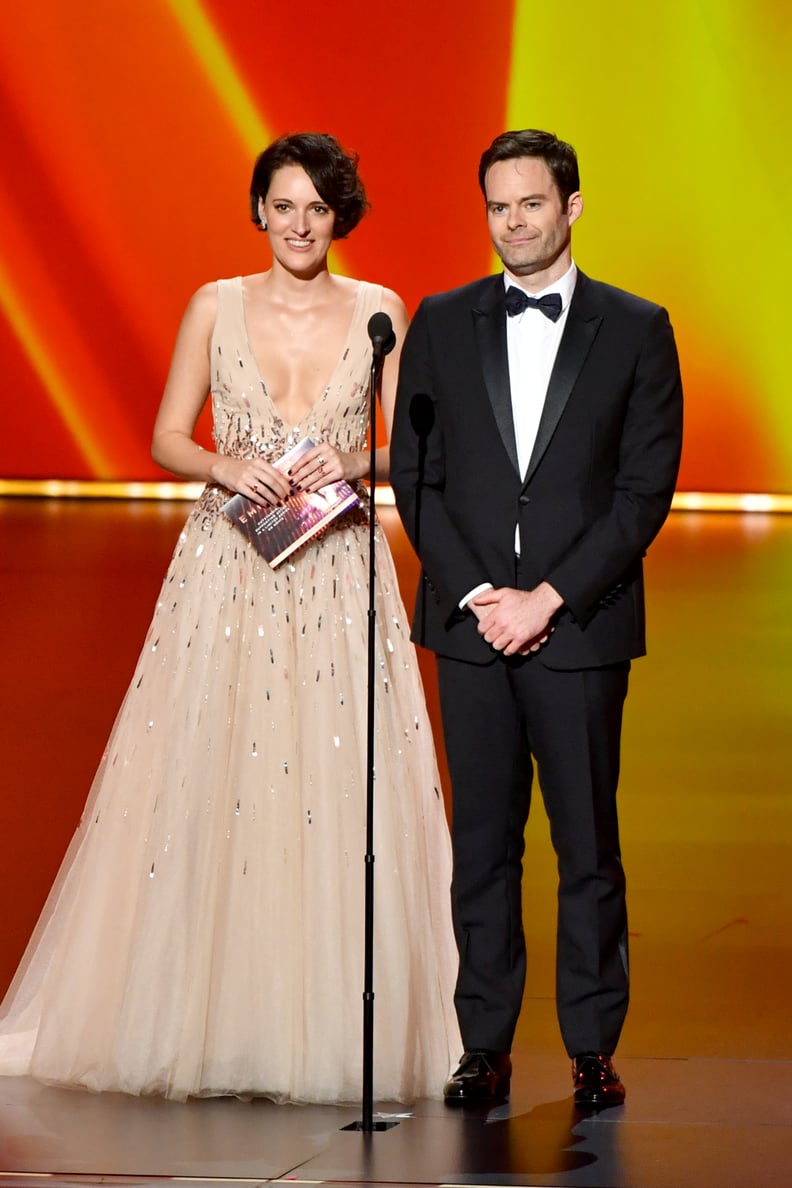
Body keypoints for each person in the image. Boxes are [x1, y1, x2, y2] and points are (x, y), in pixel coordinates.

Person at [0, 132, 460, 1103]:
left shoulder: (381, 311)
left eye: (317, 209)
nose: (299, 224)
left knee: (334, 790)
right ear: (258, 210)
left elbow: (420, 452)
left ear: (341, 218)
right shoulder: (215, 303)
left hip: (340, 572)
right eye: (283, 205)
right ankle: (199, 1025)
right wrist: (222, 464)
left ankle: (329, 1031)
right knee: (211, 779)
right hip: (226, 572)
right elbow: (167, 432)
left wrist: (357, 464)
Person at [390, 129, 683, 1109]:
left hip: (582, 627)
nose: (513, 222)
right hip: (470, 629)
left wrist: (550, 598)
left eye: (530, 203)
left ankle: (593, 1047)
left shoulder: (638, 328)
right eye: (498, 206)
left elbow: (643, 493)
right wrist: (481, 597)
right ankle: (484, 1043)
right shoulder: (437, 322)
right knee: (483, 843)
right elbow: (417, 479)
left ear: (572, 206)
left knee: (587, 844)